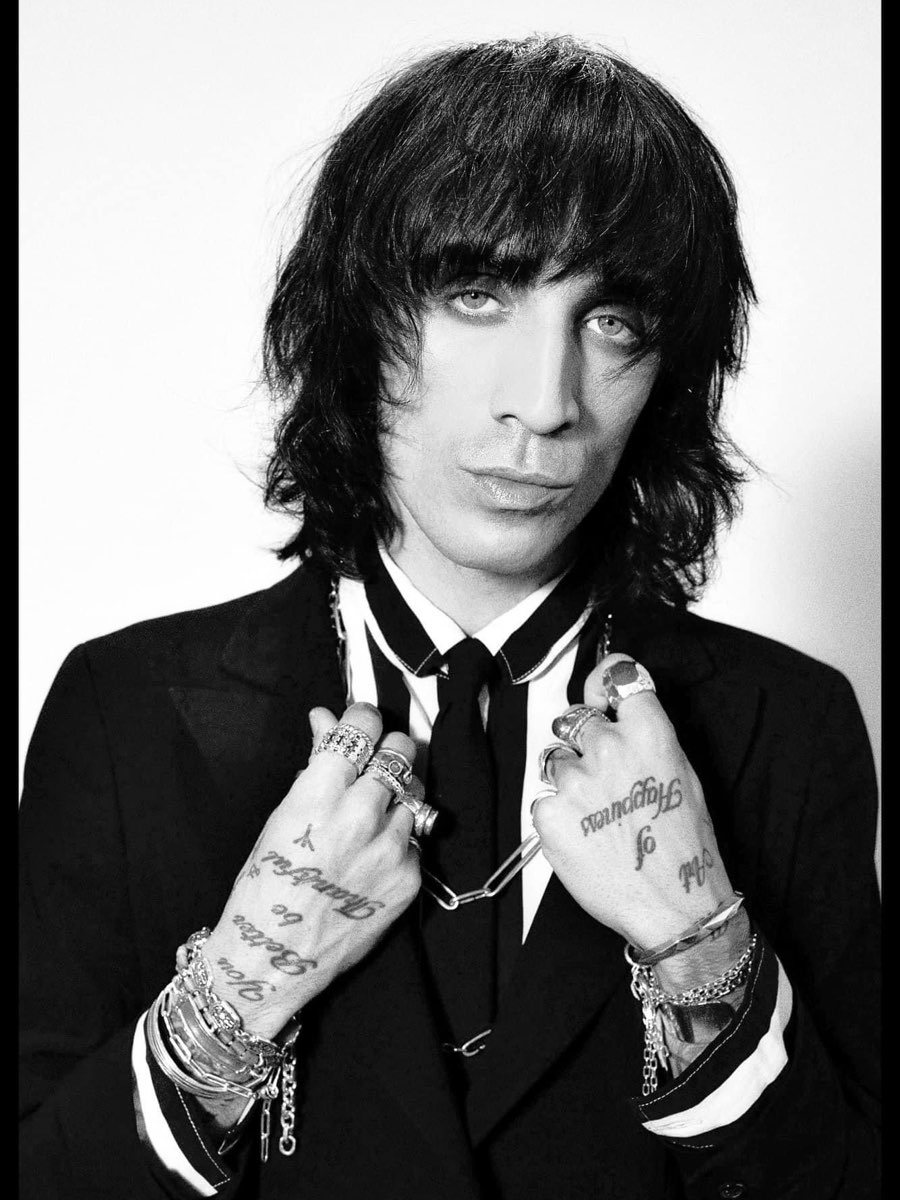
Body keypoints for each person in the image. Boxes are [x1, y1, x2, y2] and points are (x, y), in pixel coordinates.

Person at [19, 34, 880, 1200]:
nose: (545, 403)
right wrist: (232, 998)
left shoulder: (787, 724)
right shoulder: (129, 712)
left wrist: (703, 950)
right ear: (355, 321)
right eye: (477, 296)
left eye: (614, 322)